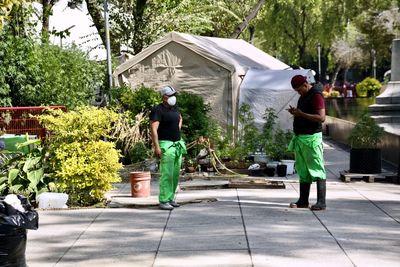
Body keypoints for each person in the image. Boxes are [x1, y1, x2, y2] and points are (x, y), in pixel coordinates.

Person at [287, 75, 327, 211]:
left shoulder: (316, 96)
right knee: (303, 169)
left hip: (311, 138)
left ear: (305, 85)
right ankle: (303, 200)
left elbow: (321, 118)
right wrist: (297, 113)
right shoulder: (304, 96)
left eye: (299, 90)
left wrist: (301, 114)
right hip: (301, 138)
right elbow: (303, 113)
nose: (299, 93)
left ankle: (321, 202)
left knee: (317, 168)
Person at [150, 86, 186, 210]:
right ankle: (164, 200)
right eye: (170, 95)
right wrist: (157, 147)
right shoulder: (158, 110)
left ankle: (170, 198)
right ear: (164, 97)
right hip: (166, 144)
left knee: (175, 174)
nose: (173, 97)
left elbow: (180, 118)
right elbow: (153, 129)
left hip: (177, 144)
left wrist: (177, 129)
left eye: (173, 95)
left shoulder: (175, 108)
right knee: (167, 174)